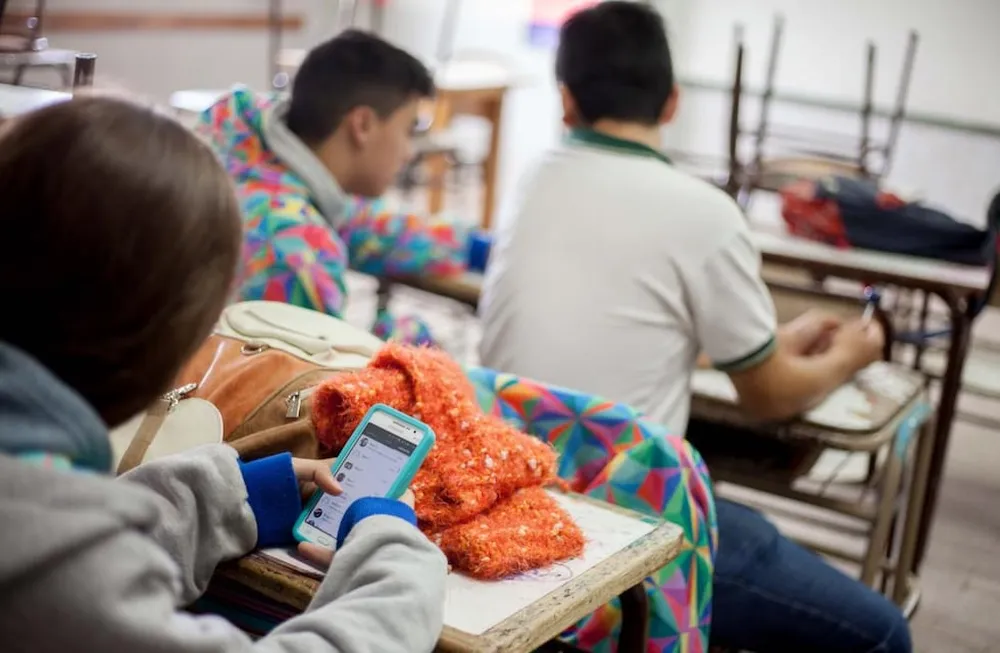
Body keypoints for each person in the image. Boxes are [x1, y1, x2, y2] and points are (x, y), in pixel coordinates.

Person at [478, 3, 910, 652]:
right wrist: (854, 352)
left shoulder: (532, 177)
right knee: (882, 631)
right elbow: (769, 395)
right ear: (673, 102)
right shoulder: (708, 213)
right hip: (625, 528)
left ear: (565, 101)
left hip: (498, 490)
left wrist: (768, 343)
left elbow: (622, 328)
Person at [0, 95, 447, 652]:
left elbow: (69, 538)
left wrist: (229, 497)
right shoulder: (55, 570)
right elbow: (72, 571)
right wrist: (396, 563)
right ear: (162, 339)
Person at [199, 30, 468, 346]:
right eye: (408, 130)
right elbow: (316, 388)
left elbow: (359, 223)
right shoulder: (294, 255)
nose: (409, 152)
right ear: (363, 125)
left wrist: (472, 246)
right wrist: (402, 339)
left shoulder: (244, 147)